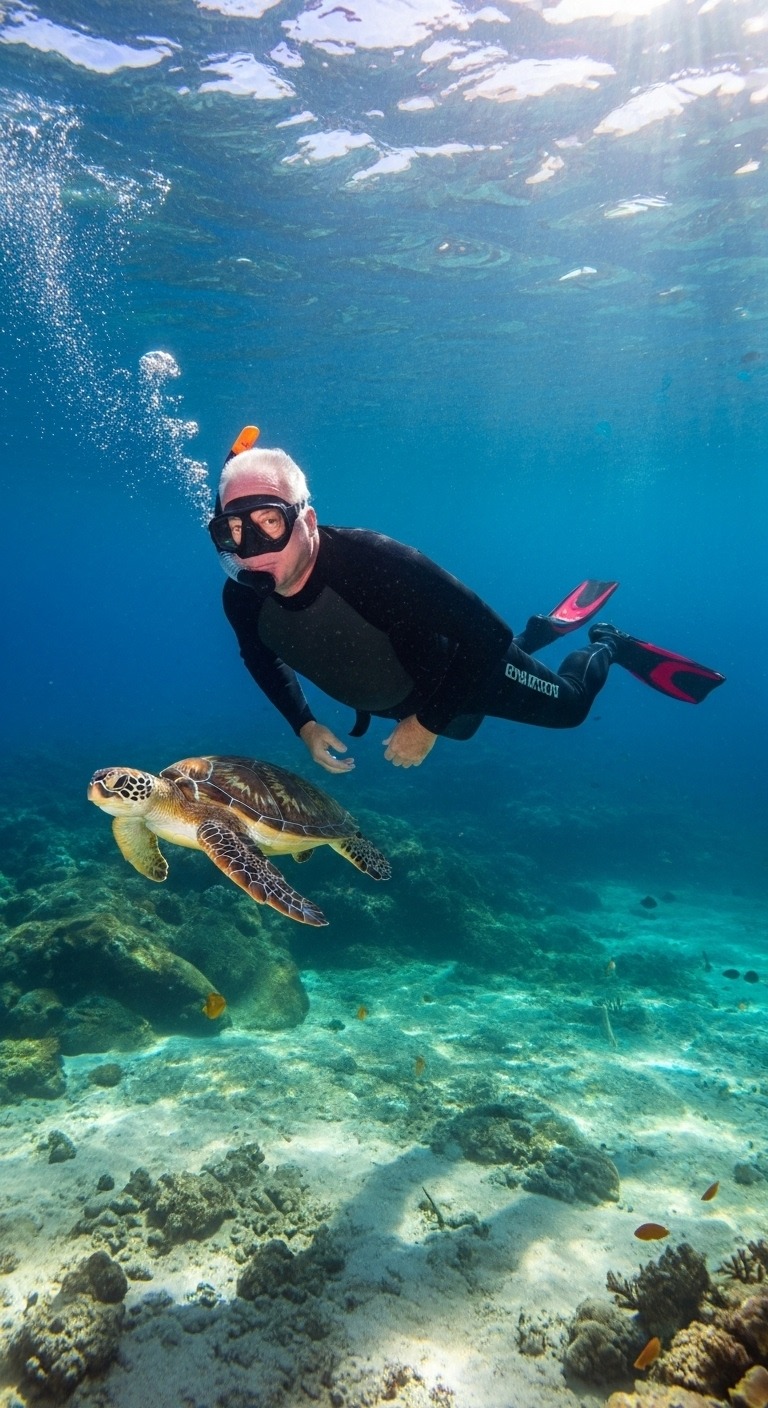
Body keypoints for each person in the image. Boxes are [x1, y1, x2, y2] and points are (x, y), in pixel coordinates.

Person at [209, 426, 725, 775]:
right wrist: (303, 724)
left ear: (308, 521)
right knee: (467, 728)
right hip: (410, 692)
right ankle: (540, 634)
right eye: (234, 531)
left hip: (465, 671)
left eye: (269, 523)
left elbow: (488, 638)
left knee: (569, 709)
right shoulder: (244, 599)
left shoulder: (381, 565)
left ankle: (609, 643)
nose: (251, 553)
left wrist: (427, 724)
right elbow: (261, 654)